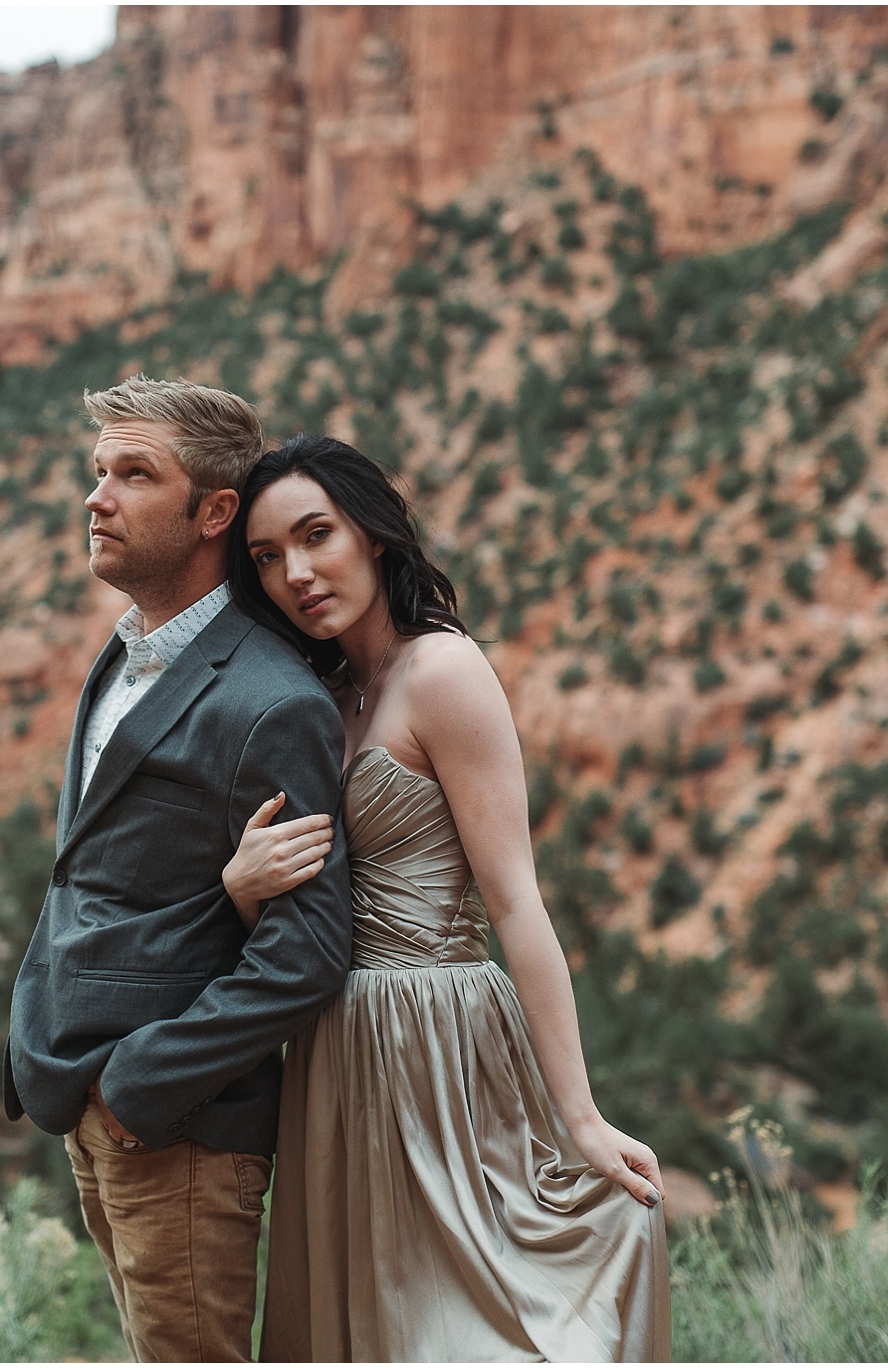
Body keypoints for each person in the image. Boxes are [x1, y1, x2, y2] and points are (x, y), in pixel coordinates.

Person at [225, 434, 672, 1362]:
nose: (297, 573)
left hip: (437, 1040)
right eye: (267, 558)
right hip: (327, 1052)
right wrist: (241, 887)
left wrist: (581, 1117)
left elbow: (516, 904)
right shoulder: (321, 692)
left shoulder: (445, 673)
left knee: (465, 1329)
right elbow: (296, 907)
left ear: (375, 536)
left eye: (317, 536)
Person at [3, 377, 354, 1362]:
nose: (95, 498)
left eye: (132, 474)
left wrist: (141, 1084)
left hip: (180, 1126)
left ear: (213, 513)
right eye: (97, 473)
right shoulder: (123, 657)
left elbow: (309, 953)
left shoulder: (270, 703)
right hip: (85, 1095)